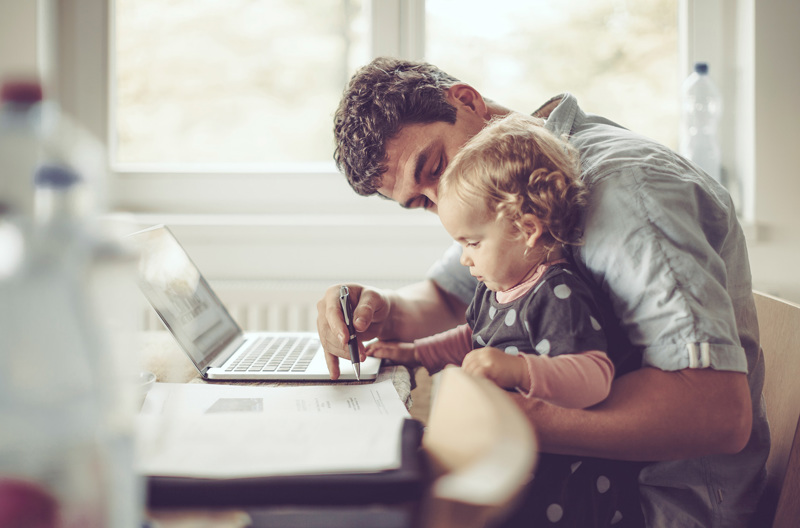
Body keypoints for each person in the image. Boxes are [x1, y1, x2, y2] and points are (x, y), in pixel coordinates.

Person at [318, 57, 767, 527]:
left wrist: (507, 419)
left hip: (660, 507)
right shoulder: (505, 179)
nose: (443, 198)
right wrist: (378, 310)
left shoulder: (625, 190)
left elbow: (717, 411)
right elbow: (449, 299)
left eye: (434, 167)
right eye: (422, 203)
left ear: (467, 101)